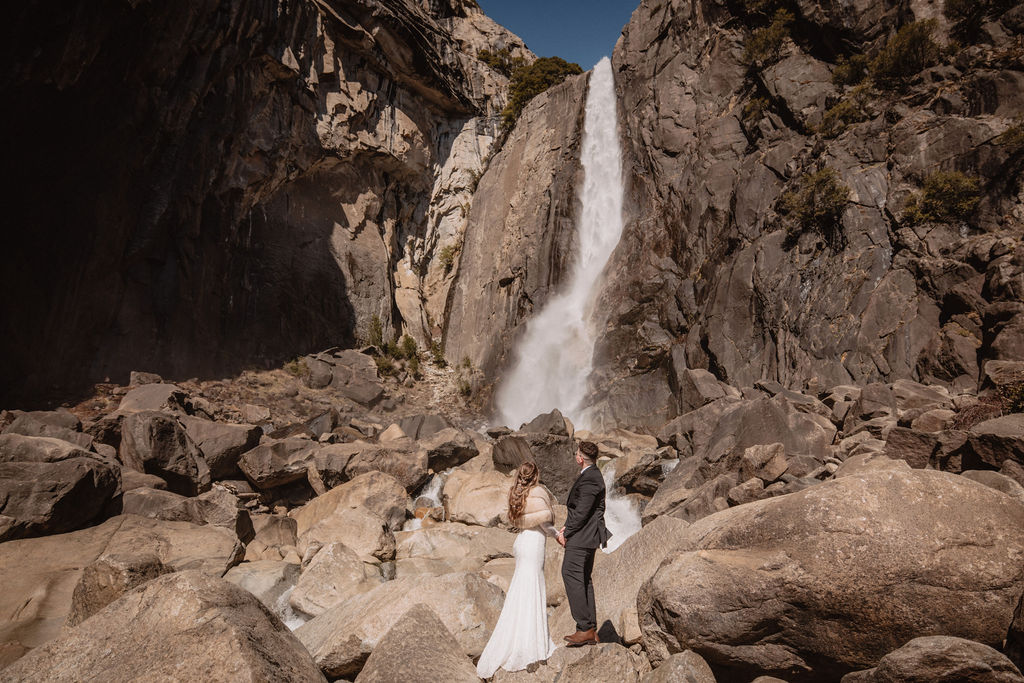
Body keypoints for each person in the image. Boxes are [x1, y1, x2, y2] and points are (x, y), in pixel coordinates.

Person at [476, 461, 559, 678]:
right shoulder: (539, 492)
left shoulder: (516, 492)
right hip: (534, 543)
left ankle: (516, 638)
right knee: (532, 589)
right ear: (536, 476)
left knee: (520, 591)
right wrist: (558, 535)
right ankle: (532, 645)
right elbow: (545, 524)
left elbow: (517, 520)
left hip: (521, 542)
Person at [557, 440, 610, 646]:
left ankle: (584, 627)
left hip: (582, 537)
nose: (575, 457)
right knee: (584, 579)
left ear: (580, 458)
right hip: (587, 535)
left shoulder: (590, 478)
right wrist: (566, 527)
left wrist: (567, 532)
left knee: (570, 573)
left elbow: (582, 511)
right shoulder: (592, 475)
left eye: (575, 454)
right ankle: (591, 629)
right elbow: (581, 510)